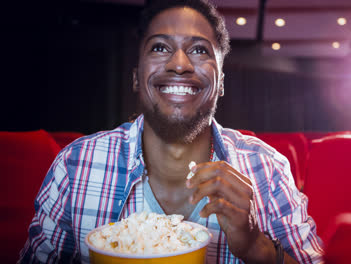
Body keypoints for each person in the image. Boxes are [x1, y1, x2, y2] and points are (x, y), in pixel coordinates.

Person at [20, 0, 324, 263]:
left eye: (199, 50)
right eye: (160, 47)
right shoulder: (75, 166)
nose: (179, 64)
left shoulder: (267, 169)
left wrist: (256, 246)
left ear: (220, 84)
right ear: (137, 78)